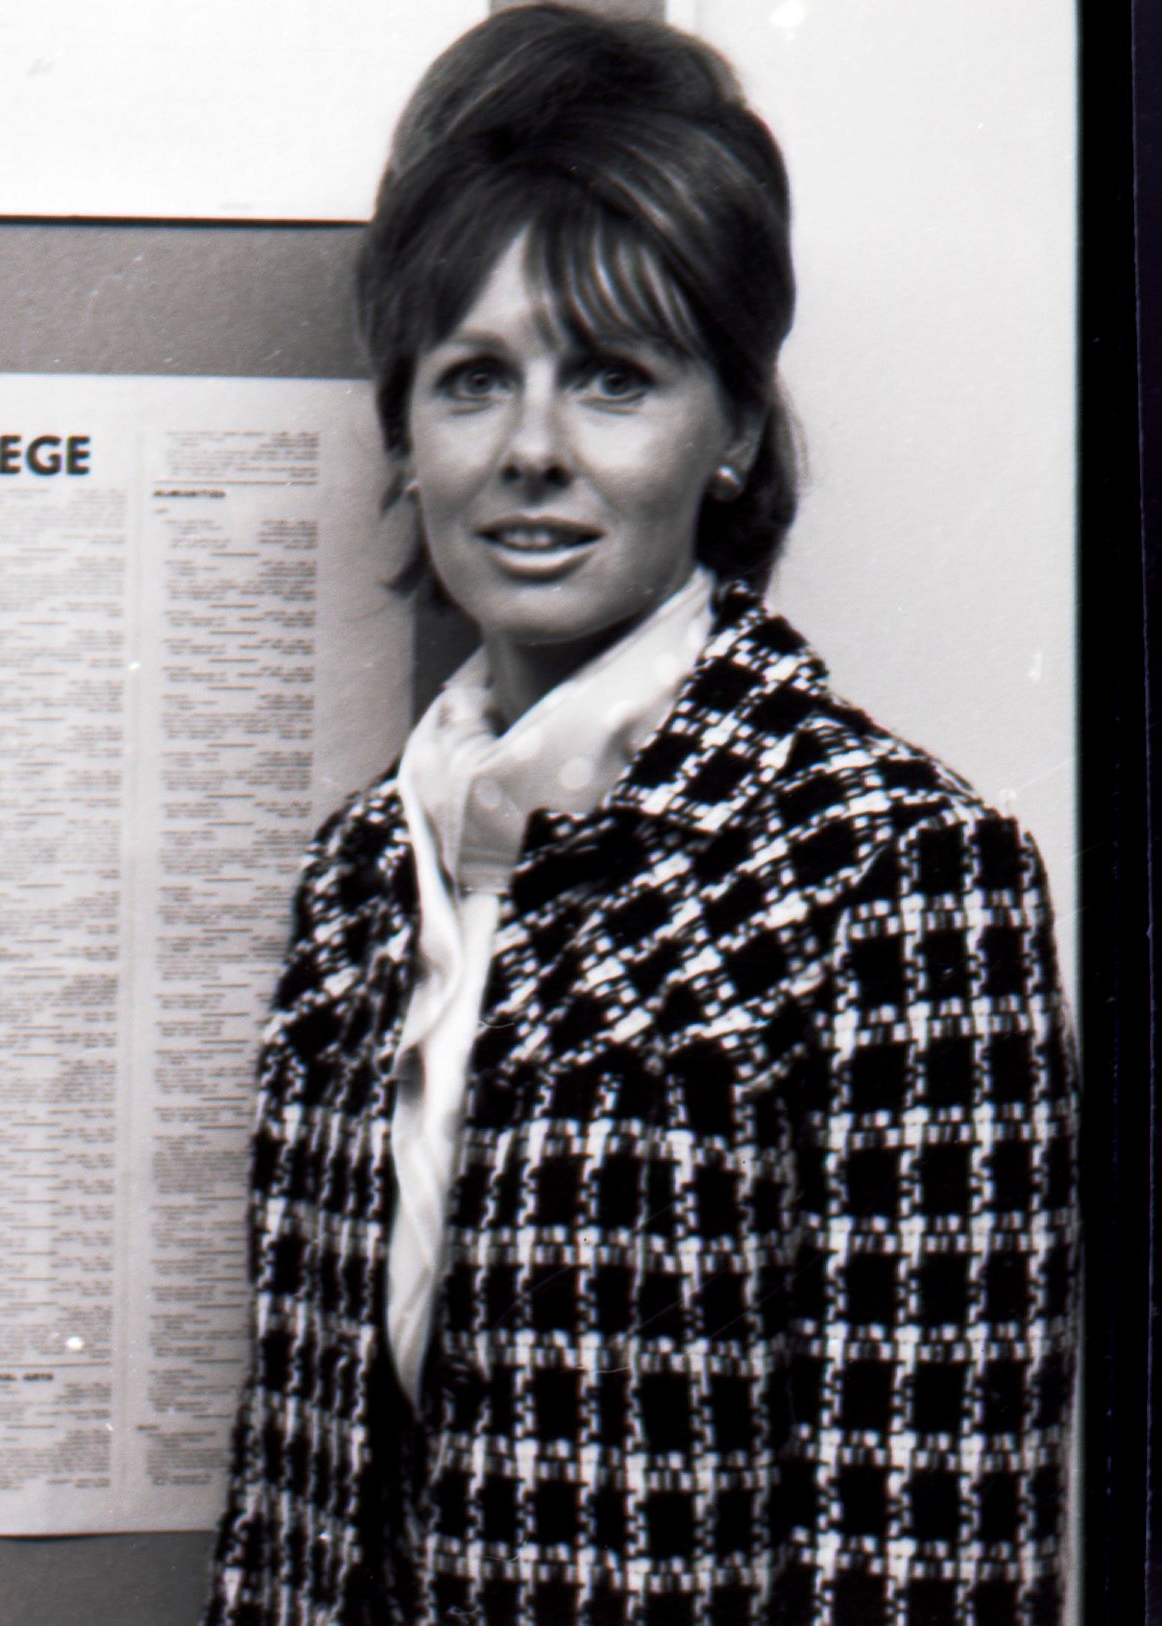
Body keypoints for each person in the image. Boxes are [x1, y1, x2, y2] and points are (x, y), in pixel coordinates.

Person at [206, 9, 1073, 1624]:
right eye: (473, 379)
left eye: (615, 377)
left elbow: (923, 1563)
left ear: (733, 426)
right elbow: (295, 1505)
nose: (532, 452)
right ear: (405, 430)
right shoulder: (358, 874)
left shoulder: (898, 871)